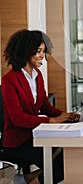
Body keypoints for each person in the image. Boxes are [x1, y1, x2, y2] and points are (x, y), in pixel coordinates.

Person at [1, 29, 79, 184]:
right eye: (38, 51)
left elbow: (45, 106)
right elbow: (17, 118)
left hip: (36, 134)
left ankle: (26, 179)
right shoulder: (10, 80)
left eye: (44, 51)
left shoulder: (37, 75)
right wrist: (52, 121)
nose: (42, 55)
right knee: (60, 165)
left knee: (66, 154)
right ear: (25, 52)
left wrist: (66, 115)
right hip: (18, 140)